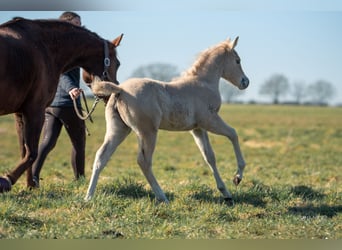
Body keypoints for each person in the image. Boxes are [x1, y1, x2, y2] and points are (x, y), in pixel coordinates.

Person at [32, 12, 86, 187]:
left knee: (48, 142)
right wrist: (71, 88)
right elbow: (61, 72)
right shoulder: (67, 47)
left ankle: (32, 177)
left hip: (51, 103)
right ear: (66, 24)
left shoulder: (55, 45)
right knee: (79, 143)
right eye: (76, 24)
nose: (80, 27)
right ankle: (80, 182)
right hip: (67, 103)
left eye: (80, 24)